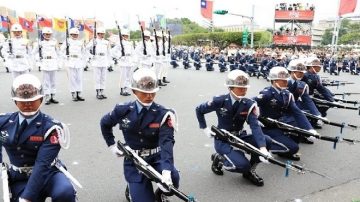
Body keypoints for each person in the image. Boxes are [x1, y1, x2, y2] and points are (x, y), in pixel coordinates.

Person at [100, 68, 180, 202]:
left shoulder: (164, 113)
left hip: (157, 158)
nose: (149, 96)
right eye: (144, 93)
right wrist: (112, 145)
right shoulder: (122, 110)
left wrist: (166, 171)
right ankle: (133, 188)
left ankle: (160, 193)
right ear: (134, 91)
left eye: (152, 92)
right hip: (134, 160)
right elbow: (104, 123)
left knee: (174, 180)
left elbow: (167, 142)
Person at [0, 74, 76, 202]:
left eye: (32, 100)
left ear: (41, 100)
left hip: (48, 173)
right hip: (20, 176)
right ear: (15, 101)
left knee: (65, 192)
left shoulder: (52, 127)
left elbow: (43, 164)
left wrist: (27, 197)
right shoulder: (3, 122)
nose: (28, 104)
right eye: (23, 101)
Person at [195, 70, 276, 186]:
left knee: (267, 141)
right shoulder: (219, 101)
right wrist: (204, 128)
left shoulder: (249, 104)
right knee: (242, 165)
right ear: (230, 88)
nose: (244, 90)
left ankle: (250, 171)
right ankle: (220, 159)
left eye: (245, 88)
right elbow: (199, 110)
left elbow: (255, 126)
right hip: (223, 138)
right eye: (240, 88)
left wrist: (262, 148)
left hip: (240, 136)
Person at [254, 66, 318, 161]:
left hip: (279, 124)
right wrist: (257, 118)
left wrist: (309, 129)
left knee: (299, 130)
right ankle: (266, 145)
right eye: (282, 80)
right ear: (274, 81)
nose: (286, 82)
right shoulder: (266, 93)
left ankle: (285, 150)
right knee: (294, 148)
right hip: (267, 127)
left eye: (286, 80)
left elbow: (297, 112)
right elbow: (251, 103)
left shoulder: (286, 94)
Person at [286, 59, 324, 129]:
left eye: (303, 73)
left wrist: (317, 114)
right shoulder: (282, 82)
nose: (302, 75)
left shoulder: (302, 84)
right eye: (299, 73)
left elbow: (307, 100)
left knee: (309, 114)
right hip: (283, 108)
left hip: (296, 105)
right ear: (292, 72)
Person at [32, 27, 60, 105]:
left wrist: (59, 63)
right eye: (46, 34)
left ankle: (53, 96)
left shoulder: (54, 43)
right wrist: (38, 60)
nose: (47, 35)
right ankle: (47, 96)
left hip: (53, 63)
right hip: (44, 63)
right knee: (46, 81)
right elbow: (33, 52)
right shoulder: (40, 43)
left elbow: (58, 53)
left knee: (53, 81)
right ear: (43, 35)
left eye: (49, 34)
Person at [60, 27, 86, 102]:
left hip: (78, 62)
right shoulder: (67, 42)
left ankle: (79, 93)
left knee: (79, 79)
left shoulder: (80, 42)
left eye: (76, 34)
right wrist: (65, 57)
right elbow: (61, 51)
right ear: (70, 35)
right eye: (73, 34)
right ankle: (73, 93)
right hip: (70, 62)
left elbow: (83, 52)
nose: (75, 36)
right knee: (72, 79)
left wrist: (84, 61)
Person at [86, 27, 112, 99]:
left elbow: (109, 52)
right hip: (97, 61)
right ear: (97, 34)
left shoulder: (106, 42)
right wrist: (91, 56)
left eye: (103, 34)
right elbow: (86, 49)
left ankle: (102, 92)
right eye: (100, 34)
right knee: (97, 78)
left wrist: (110, 62)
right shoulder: (94, 41)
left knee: (103, 78)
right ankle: (98, 92)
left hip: (104, 60)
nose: (101, 35)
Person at [111, 28, 135, 96]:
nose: (126, 37)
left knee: (128, 76)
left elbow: (133, 52)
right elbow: (112, 51)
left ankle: (126, 89)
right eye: (125, 35)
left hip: (129, 60)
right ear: (122, 36)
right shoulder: (119, 43)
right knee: (123, 76)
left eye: (127, 35)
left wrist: (133, 59)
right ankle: (122, 89)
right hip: (123, 61)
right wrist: (119, 56)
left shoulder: (130, 43)